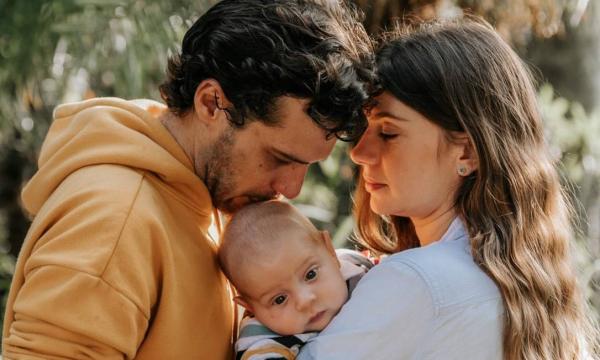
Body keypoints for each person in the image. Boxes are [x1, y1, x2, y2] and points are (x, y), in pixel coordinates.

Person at [2, 0, 373, 358]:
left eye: (307, 165)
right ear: (211, 103)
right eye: (278, 157)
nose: (291, 188)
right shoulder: (115, 220)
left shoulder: (206, 195)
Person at [298, 17, 598, 360]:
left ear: (466, 151)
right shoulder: (521, 289)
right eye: (363, 127)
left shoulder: (415, 283)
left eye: (388, 133)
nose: (358, 152)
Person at [218, 200, 372, 360]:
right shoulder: (263, 343)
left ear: (329, 251)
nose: (304, 300)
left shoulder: (355, 265)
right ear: (251, 309)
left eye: (310, 275)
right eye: (279, 299)